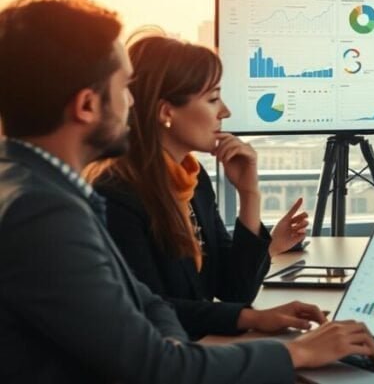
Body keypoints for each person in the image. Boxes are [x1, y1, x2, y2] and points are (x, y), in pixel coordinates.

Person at [0, 0, 374, 383]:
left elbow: (149, 304)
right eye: (125, 87)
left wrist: (249, 199)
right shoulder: (44, 214)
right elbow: (155, 366)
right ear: (86, 106)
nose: (132, 102)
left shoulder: (35, 186)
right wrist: (296, 352)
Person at [87, 33, 315, 340]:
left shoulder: (192, 179)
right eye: (212, 99)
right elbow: (148, 309)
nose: (225, 112)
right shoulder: (116, 193)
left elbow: (235, 289)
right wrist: (254, 318)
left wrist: (249, 194)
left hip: (194, 349)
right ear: (166, 112)